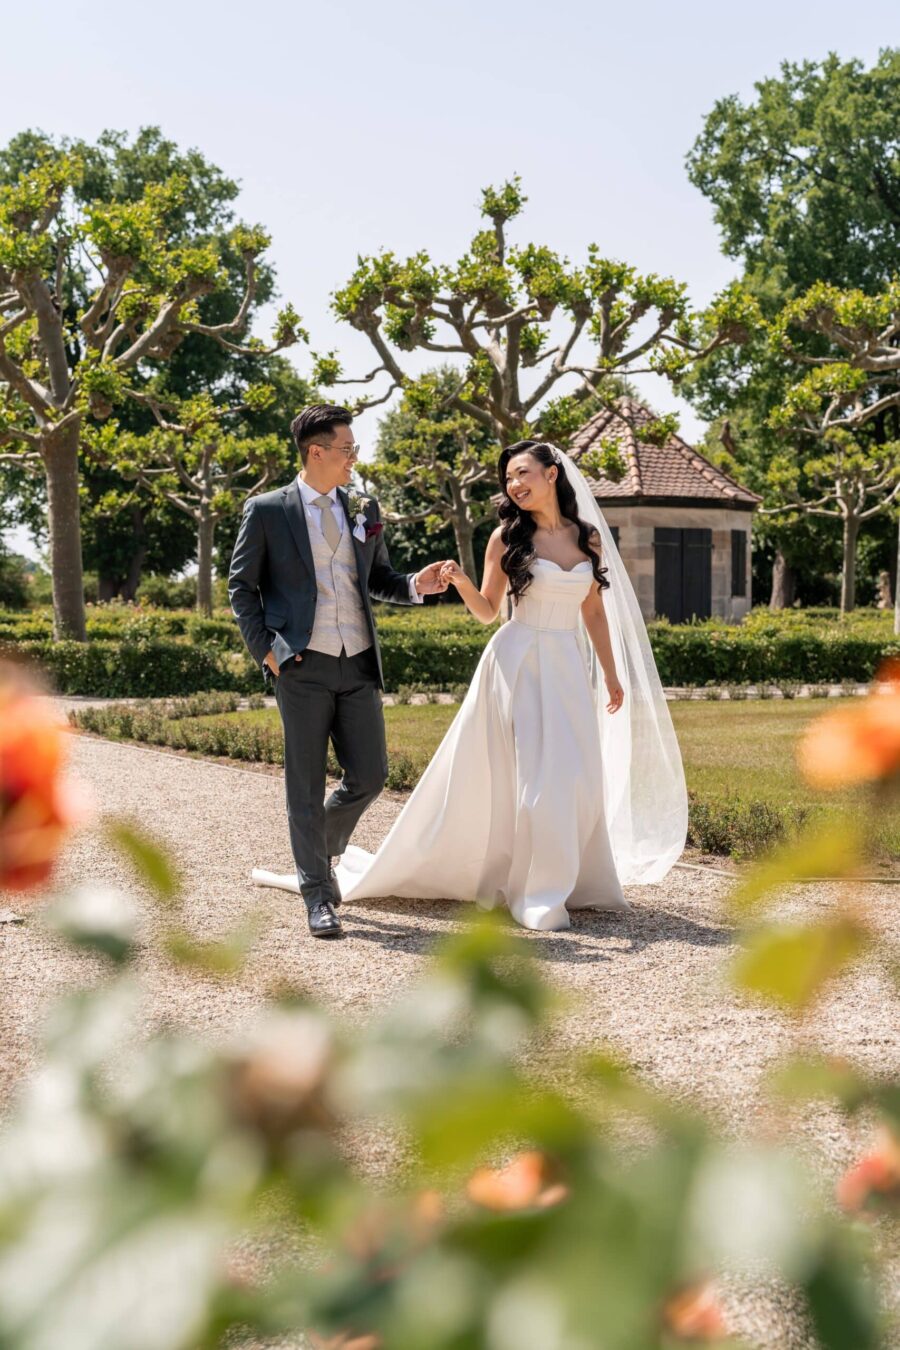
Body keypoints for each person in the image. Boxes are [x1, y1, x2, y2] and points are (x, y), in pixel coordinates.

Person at [252, 440, 687, 933]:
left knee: (573, 776)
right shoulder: (505, 539)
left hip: (566, 665)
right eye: (507, 479)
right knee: (532, 784)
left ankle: (565, 880)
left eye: (523, 473)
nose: (514, 485)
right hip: (516, 663)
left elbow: (591, 610)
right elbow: (487, 611)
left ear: (552, 475)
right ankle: (535, 892)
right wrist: (458, 581)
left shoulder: (587, 537)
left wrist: (610, 673)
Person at [229, 404, 448, 939]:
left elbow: (379, 580)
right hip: (301, 666)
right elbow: (241, 588)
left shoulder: (364, 507)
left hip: (358, 662)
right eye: (347, 449)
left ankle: (313, 850)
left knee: (370, 775)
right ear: (316, 452)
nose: (355, 457)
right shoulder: (267, 510)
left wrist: (418, 585)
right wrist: (268, 652)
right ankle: (317, 896)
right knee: (303, 785)